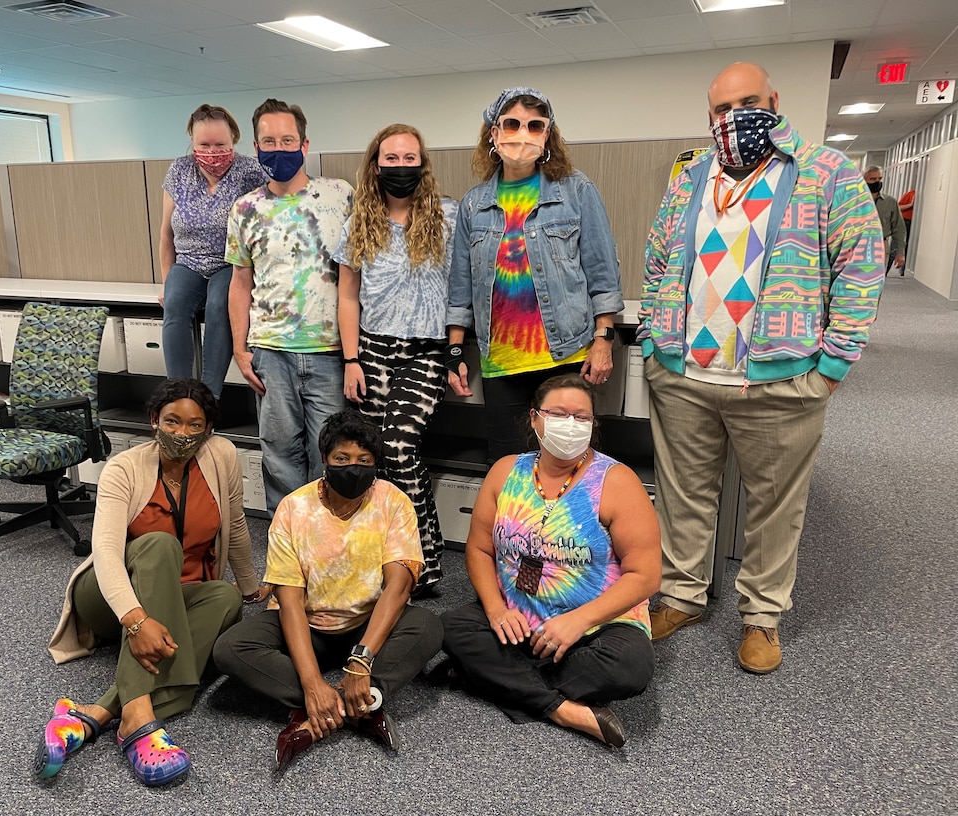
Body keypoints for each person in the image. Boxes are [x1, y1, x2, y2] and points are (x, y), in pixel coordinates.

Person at [640, 62, 884, 674]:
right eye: (721, 109)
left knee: (776, 505)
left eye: (747, 102)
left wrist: (832, 363)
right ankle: (682, 594)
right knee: (684, 494)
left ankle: (762, 617)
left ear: (775, 100)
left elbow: (861, 268)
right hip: (685, 373)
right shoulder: (692, 176)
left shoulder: (827, 174)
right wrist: (651, 342)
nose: (734, 118)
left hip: (780, 378)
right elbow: (657, 256)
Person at [40, 379, 267, 786]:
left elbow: (235, 523)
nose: (182, 433)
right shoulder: (123, 468)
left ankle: (93, 715)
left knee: (226, 597)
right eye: (172, 421)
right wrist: (136, 620)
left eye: (194, 425)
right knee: (159, 545)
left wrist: (250, 586)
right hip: (111, 600)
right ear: (153, 421)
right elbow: (106, 553)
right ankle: (139, 718)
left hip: (176, 599)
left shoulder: (222, 456)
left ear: (209, 430)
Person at [212, 408, 443, 774]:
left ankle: (333, 706)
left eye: (364, 460)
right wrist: (312, 682)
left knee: (428, 626)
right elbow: (288, 601)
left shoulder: (392, 501)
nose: (353, 467)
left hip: (369, 623)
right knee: (231, 648)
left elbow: (398, 587)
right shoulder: (294, 508)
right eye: (342, 458)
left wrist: (362, 660)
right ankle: (357, 707)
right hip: (307, 622)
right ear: (324, 458)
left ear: (376, 463)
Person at [439, 374, 659, 748]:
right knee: (451, 627)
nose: (570, 425)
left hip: (593, 627)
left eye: (581, 417)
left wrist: (578, 621)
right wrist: (494, 610)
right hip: (516, 618)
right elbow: (478, 550)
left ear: (593, 424)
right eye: (557, 414)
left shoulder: (617, 482)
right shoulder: (506, 471)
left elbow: (646, 575)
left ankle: (488, 677)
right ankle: (562, 709)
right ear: (534, 419)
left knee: (631, 667)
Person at [446, 86, 623, 462]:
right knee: (509, 470)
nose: (521, 133)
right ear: (494, 134)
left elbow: (603, 274)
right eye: (511, 124)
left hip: (564, 357)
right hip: (502, 364)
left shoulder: (576, 191)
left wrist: (604, 341)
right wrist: (456, 350)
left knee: (570, 465)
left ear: (547, 136)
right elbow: (460, 287)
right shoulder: (474, 204)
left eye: (534, 125)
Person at [334, 123, 459, 593]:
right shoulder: (358, 222)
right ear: (376, 164)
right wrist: (351, 360)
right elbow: (348, 297)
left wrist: (455, 352)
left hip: (425, 352)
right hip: (371, 351)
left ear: (422, 164)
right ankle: (383, 559)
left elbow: (461, 291)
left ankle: (423, 562)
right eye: (392, 158)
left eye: (410, 159)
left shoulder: (448, 217)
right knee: (375, 457)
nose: (400, 167)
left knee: (401, 449)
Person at [227, 98, 353, 515]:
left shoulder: (339, 196)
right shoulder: (245, 209)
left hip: (329, 351)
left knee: (331, 452)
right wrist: (240, 350)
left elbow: (358, 276)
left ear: (304, 143)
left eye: (287, 139)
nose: (278, 148)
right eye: (268, 141)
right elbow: (240, 283)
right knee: (279, 453)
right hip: (271, 350)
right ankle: (288, 548)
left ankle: (330, 542)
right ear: (256, 146)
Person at [160, 105, 267, 398]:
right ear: (192, 142)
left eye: (220, 144)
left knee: (221, 305)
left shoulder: (251, 171)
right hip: (188, 262)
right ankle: (176, 396)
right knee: (175, 305)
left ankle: (208, 399)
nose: (212, 151)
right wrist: (167, 280)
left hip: (230, 262)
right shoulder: (179, 170)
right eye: (204, 144)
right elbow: (165, 234)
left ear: (233, 139)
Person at [863, 166, 905, 273]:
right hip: (857, 244)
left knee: (876, 281)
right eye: (873, 179)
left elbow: (898, 228)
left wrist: (900, 252)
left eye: (879, 179)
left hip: (880, 245)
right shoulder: (853, 200)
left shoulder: (890, 202)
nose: (877, 182)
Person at [898, 188, 915, 276]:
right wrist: (911, 205)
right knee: (904, 243)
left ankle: (904, 267)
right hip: (906, 221)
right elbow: (899, 207)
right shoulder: (910, 194)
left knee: (911, 245)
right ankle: (902, 267)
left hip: (915, 223)